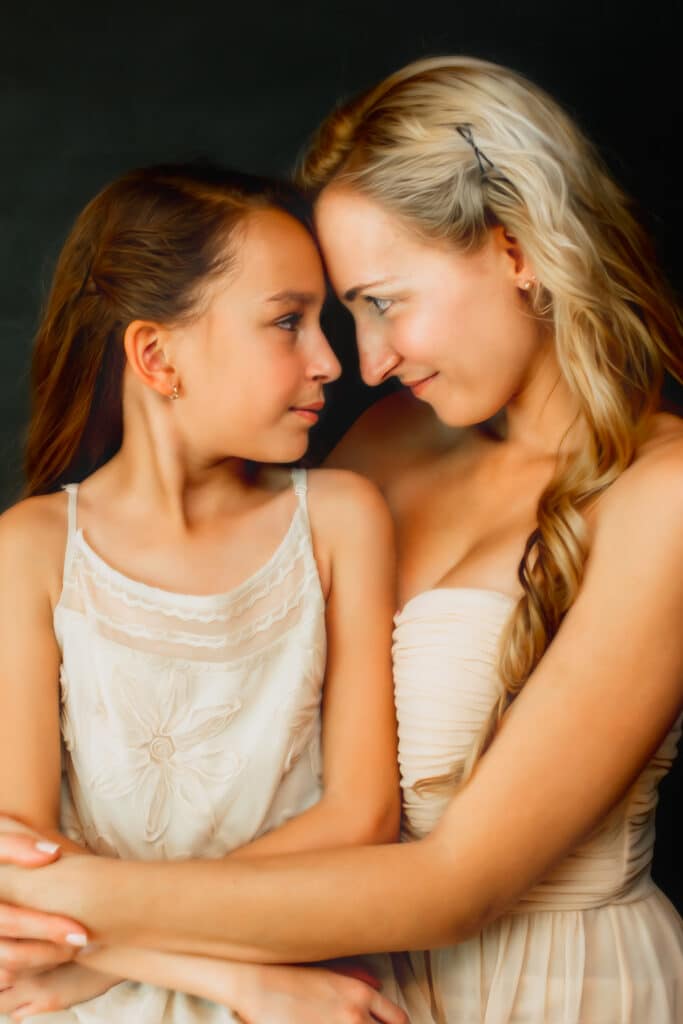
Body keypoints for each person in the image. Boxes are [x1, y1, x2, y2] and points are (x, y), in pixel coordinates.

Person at [2, 55, 683, 1023]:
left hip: (559, 986)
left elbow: (458, 882)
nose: (364, 359)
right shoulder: (384, 445)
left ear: (515, 249)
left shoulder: (664, 495)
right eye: (341, 310)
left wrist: (75, 916)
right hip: (341, 981)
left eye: (383, 301)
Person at [0, 164, 409, 1023]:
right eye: (287, 322)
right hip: (105, 999)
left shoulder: (339, 520)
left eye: (324, 322)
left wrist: (108, 946)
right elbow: (19, 888)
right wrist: (239, 979)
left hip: (312, 980)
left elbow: (361, 817)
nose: (332, 361)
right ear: (157, 355)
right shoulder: (33, 551)